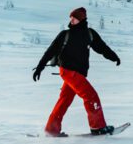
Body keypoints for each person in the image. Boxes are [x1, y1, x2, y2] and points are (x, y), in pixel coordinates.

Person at [33, 7, 121, 136]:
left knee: (64, 100)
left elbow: (102, 48)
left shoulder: (89, 34)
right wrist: (40, 67)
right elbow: (50, 51)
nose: (71, 20)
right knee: (91, 96)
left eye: (74, 18)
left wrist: (114, 57)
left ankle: (51, 129)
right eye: (71, 18)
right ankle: (98, 127)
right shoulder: (65, 34)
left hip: (78, 74)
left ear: (82, 19)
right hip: (68, 71)